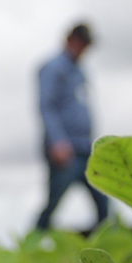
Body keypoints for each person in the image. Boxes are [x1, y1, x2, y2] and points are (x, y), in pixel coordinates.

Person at [34, 22, 108, 234]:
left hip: (85, 148)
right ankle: (32, 245)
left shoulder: (80, 71)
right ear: (70, 41)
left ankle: (101, 247)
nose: (83, 49)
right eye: (81, 43)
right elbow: (46, 106)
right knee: (53, 203)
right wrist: (58, 141)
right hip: (65, 149)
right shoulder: (52, 68)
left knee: (103, 203)